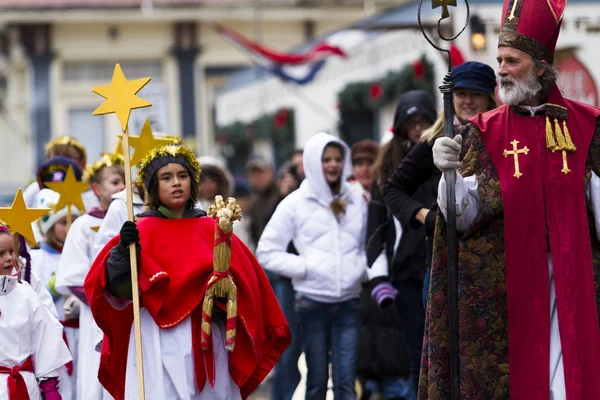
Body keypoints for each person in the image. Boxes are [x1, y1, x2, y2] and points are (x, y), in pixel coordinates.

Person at [425, 0, 600, 397]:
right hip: (509, 299)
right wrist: (447, 176)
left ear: (540, 66)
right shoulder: (483, 131)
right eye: (499, 59)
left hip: (575, 292)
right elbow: (464, 219)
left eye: (511, 60)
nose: (500, 70)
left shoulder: (587, 126)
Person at [84, 144, 291, 400]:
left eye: (183, 176)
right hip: (157, 339)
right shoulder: (140, 230)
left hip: (207, 339)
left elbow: (247, 285)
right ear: (153, 187)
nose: (176, 183)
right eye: (166, 177)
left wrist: (223, 300)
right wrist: (122, 254)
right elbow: (117, 292)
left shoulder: (214, 229)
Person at [257, 132, 368, 399]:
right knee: (316, 382)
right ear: (312, 163)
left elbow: (368, 244)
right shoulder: (295, 202)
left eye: (338, 159)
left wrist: (360, 270)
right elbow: (266, 251)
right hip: (312, 303)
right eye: (326, 159)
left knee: (346, 383)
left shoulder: (357, 197)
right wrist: (306, 267)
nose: (332, 165)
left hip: (350, 302)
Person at [383, 62, 497, 308]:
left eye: (476, 93)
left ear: (489, 98)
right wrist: (425, 216)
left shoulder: (503, 138)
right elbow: (392, 189)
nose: (468, 100)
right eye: (461, 93)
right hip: (444, 260)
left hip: (494, 262)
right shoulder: (434, 141)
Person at [366, 90, 436, 395]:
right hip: (406, 271)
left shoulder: (441, 153)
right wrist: (378, 275)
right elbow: (375, 227)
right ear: (401, 125)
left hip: (441, 263)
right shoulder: (386, 167)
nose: (418, 128)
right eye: (412, 121)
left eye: (424, 121)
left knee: (443, 350)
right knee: (415, 354)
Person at [55, 153, 126, 400]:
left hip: (127, 313)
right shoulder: (83, 225)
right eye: (116, 182)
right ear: (97, 189)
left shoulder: (133, 220)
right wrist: (104, 300)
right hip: (96, 313)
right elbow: (74, 276)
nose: (123, 187)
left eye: (125, 181)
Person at [0, 221, 72, 400]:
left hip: (25, 387)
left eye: (11, 251)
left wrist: (49, 389)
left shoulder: (25, 294)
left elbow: (44, 340)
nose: (9, 258)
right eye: (1, 254)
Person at [30, 189, 82, 400]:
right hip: (55, 337)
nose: (70, 228)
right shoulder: (36, 258)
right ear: (50, 227)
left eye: (74, 222)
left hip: (81, 333)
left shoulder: (81, 254)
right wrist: (52, 288)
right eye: (63, 222)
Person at [23, 136, 98, 211]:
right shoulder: (36, 189)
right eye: (55, 157)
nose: (60, 162)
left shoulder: (92, 191)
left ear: (83, 163)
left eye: (67, 157)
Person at [246, 155, 279, 246]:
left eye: (261, 172)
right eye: (254, 174)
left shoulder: (281, 195)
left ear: (271, 172)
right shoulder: (253, 200)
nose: (258, 177)